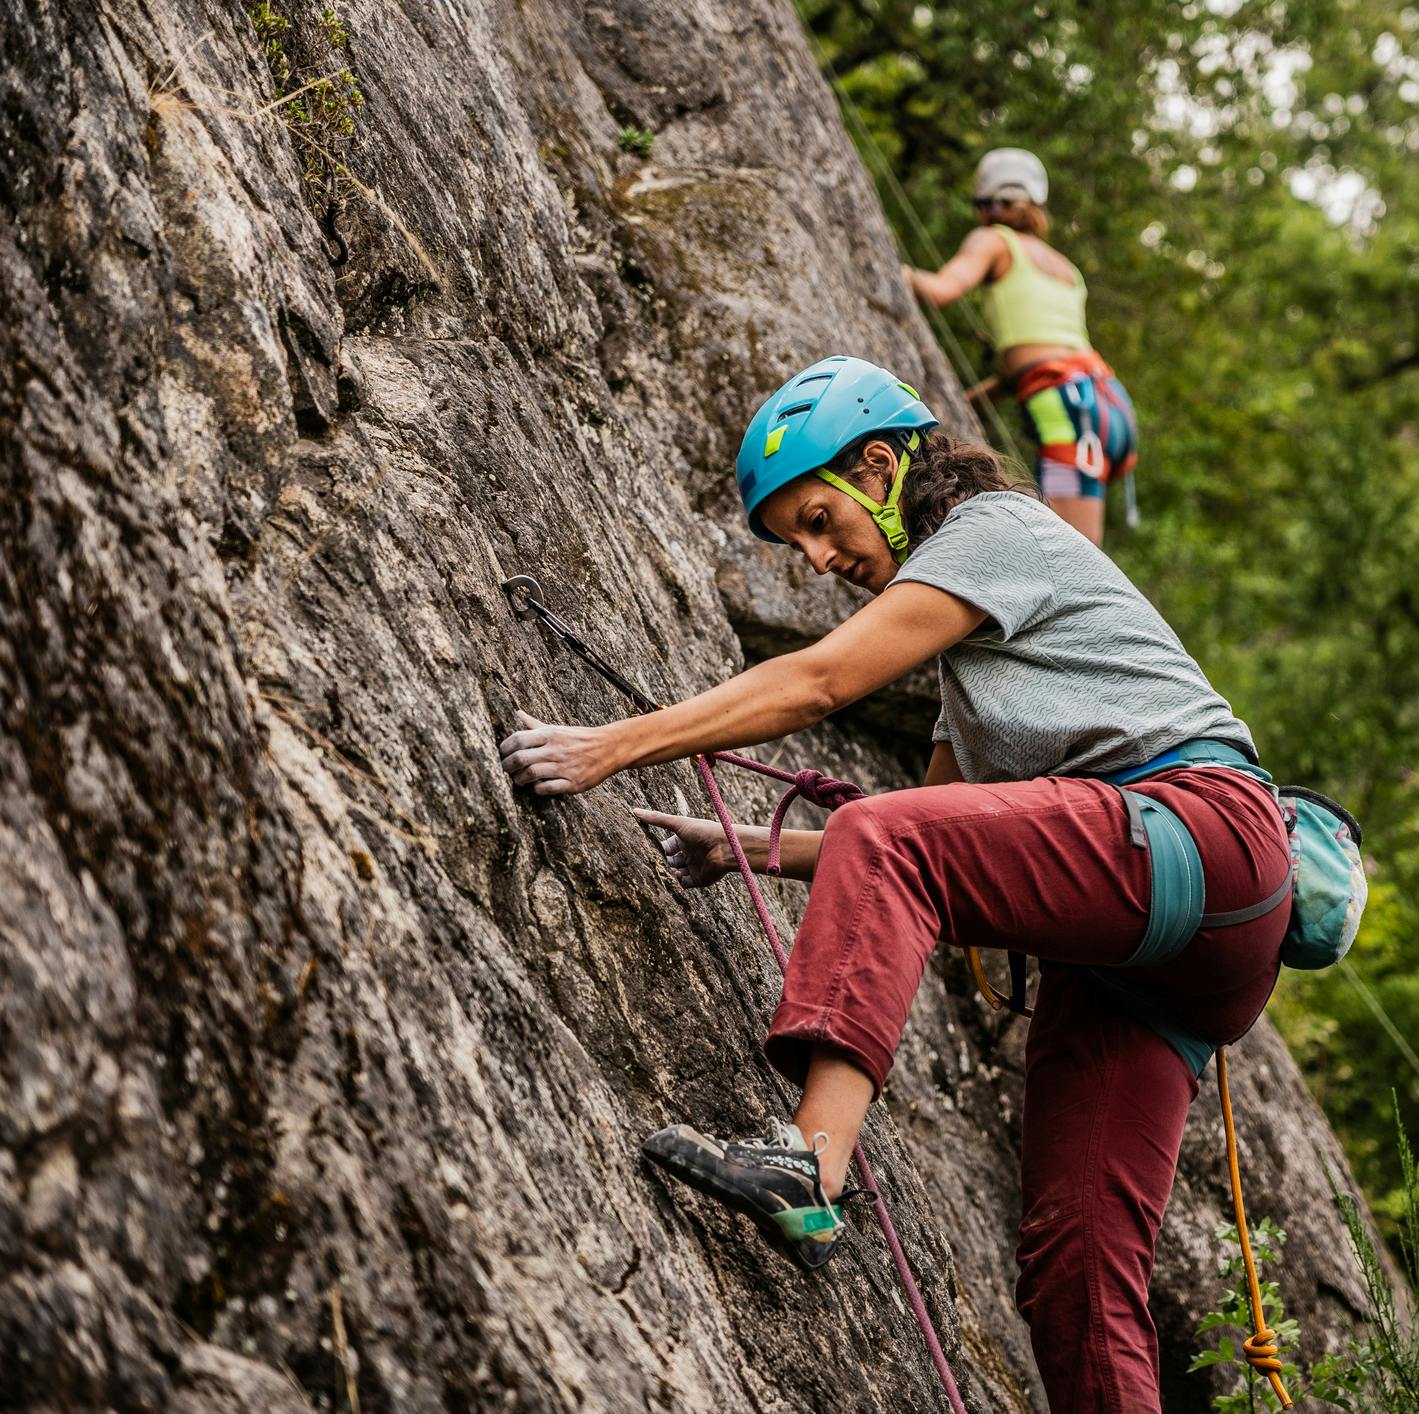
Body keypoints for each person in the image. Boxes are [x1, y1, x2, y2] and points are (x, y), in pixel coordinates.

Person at [497, 355, 1289, 1412]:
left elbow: (822, 686)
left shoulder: (995, 532)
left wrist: (609, 746)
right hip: (1169, 957)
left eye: (820, 521)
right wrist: (746, 847)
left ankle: (809, 1162)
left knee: (885, 834)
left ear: (880, 463)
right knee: (1075, 1264)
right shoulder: (977, 665)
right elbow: (926, 846)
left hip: (1201, 830)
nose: (819, 558)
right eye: (798, 545)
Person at [901, 147, 1138, 546]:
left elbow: (940, 290)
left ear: (985, 205)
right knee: (1082, 553)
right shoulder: (1066, 269)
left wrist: (897, 271)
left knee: (1067, 554)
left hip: (1068, 410)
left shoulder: (993, 240)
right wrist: (964, 403)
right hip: (1106, 406)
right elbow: (1029, 368)